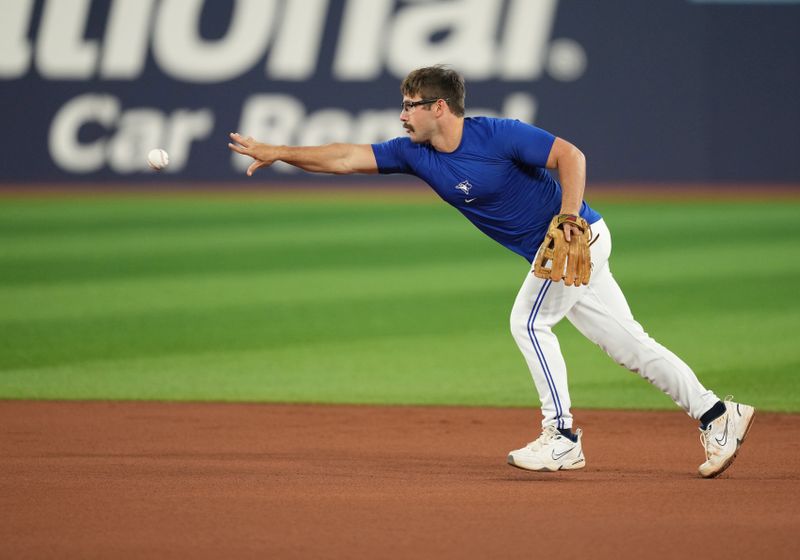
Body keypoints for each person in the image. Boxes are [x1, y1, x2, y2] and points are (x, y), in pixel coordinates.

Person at [228, 65, 754, 478]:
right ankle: (716, 415)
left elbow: (571, 155)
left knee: (528, 322)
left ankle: (562, 438)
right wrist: (280, 152)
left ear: (439, 107)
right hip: (558, 253)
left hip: (577, 239)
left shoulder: (498, 135)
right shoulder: (415, 153)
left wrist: (568, 218)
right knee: (629, 346)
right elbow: (343, 158)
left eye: (410, 105)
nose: (402, 115)